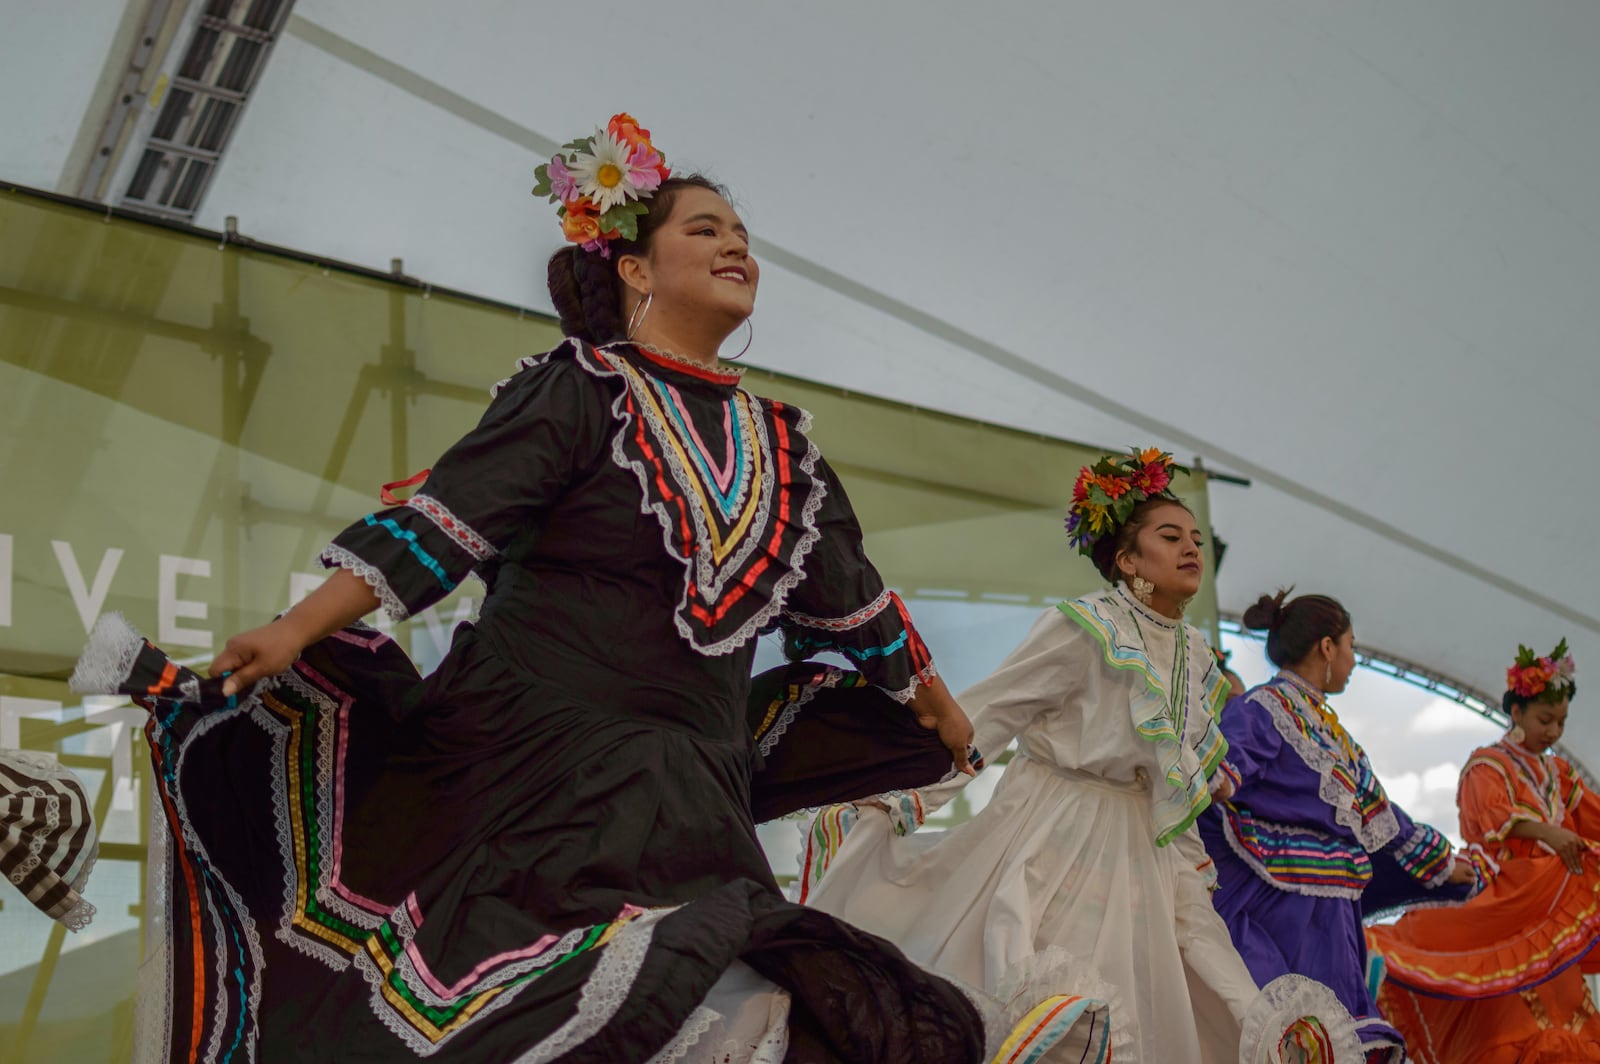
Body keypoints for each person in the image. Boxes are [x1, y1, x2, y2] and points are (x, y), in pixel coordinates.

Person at [69, 114, 993, 1064]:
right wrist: (298, 626)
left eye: (743, 237)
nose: (735, 248)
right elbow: (445, 524)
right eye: (704, 229)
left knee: (748, 1008)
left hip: (692, 797)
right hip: (530, 776)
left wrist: (940, 709)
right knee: (532, 1012)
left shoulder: (789, 451)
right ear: (634, 268)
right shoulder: (580, 386)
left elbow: (855, 602)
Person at [798, 449, 1365, 1063]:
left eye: (1195, 538)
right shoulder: (1084, 626)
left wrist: (1210, 919)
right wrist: (898, 802)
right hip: (1052, 832)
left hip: (1140, 857)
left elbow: (1176, 802)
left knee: (1145, 1021)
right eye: (1170, 536)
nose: (1191, 548)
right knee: (1047, 1007)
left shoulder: (1198, 661)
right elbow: (986, 720)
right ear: (1126, 560)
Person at [1197, 590, 1479, 1063]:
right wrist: (1219, 779)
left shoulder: (1326, 727)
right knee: (1301, 1033)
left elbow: (1376, 810)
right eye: (1351, 644)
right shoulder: (1267, 707)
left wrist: (1442, 863)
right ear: (1327, 648)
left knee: (1335, 1035)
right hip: (1286, 905)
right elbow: (1222, 762)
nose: (1354, 657)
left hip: (1331, 909)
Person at [1367, 641, 1600, 1063]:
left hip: (1542, 908)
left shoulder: (1558, 773)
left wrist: (1563, 838)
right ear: (1517, 713)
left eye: (1561, 723)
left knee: (1567, 1023)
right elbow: (1493, 822)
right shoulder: (1486, 765)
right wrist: (1549, 831)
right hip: (1502, 894)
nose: (1553, 732)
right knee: (1507, 1020)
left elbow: (1593, 817)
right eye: (1545, 720)